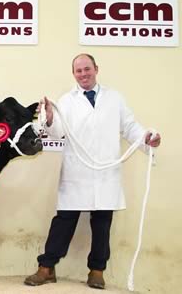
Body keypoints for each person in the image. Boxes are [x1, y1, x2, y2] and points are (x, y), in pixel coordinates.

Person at [24, 53, 161, 289]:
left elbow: (129, 127)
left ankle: (97, 270)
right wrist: (48, 119)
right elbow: (58, 131)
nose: (83, 74)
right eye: (78, 70)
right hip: (76, 171)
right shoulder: (66, 100)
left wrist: (148, 140)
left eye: (87, 69)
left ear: (96, 69)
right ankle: (46, 267)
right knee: (64, 221)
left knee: (102, 222)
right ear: (73, 74)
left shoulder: (115, 98)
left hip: (106, 171)